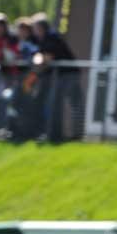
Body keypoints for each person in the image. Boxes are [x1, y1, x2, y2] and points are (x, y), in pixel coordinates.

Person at [31, 12, 84, 141]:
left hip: (69, 74)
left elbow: (46, 58)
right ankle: (61, 134)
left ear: (41, 28)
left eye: (35, 28)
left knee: (61, 103)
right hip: (63, 75)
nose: (34, 31)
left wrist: (35, 65)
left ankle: (65, 135)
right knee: (61, 103)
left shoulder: (51, 37)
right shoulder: (44, 40)